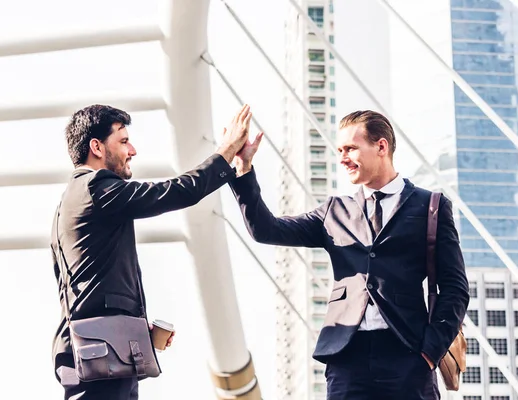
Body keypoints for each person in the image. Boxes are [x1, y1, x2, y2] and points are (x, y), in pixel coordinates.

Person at [229, 110, 469, 399]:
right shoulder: (334, 211)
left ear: (381, 147)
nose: (342, 158)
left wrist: (430, 352)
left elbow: (455, 288)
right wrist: (243, 169)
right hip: (346, 358)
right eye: (340, 150)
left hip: (409, 355)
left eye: (351, 148)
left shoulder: (431, 206)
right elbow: (266, 230)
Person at [51, 103, 253, 400]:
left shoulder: (66, 204)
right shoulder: (96, 187)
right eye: (123, 141)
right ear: (96, 146)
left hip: (93, 351)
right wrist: (226, 152)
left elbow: (83, 287)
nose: (132, 150)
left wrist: (131, 324)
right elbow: (176, 191)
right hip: (100, 355)